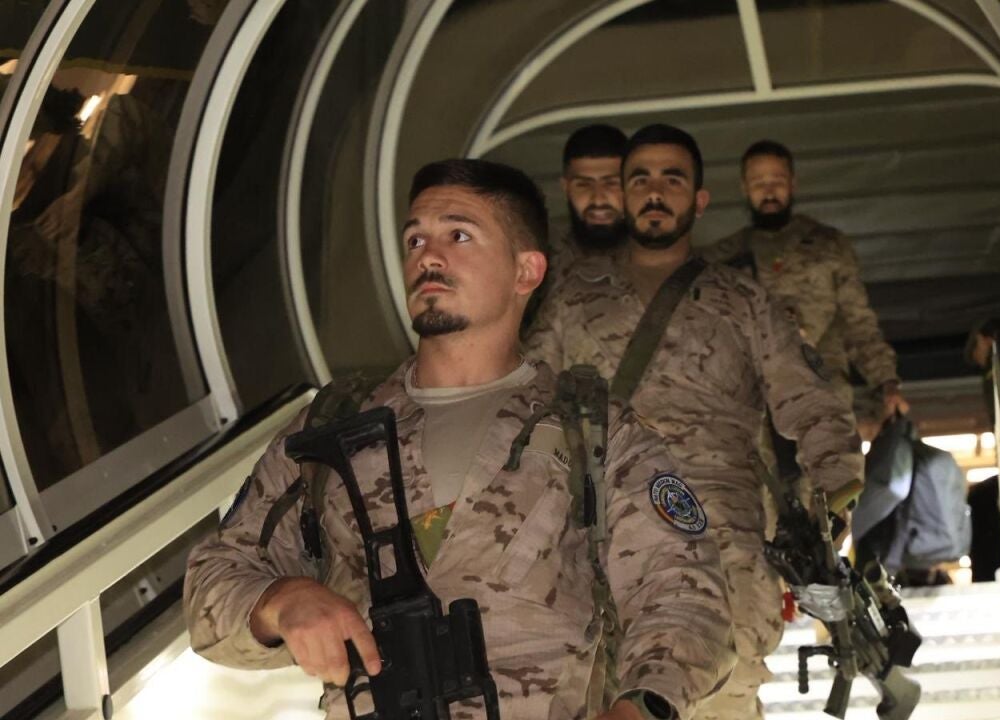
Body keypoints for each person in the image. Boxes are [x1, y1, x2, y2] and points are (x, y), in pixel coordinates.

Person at [184, 159, 734, 720]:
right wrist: (280, 602)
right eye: (415, 239)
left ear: (526, 271)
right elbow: (214, 579)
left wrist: (638, 709)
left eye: (459, 235)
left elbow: (685, 595)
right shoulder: (331, 426)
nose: (428, 255)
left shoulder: (594, 432)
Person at [524, 125, 864, 720]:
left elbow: (810, 401)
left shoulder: (745, 301)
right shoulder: (573, 298)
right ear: (624, 194)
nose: (655, 192)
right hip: (602, 538)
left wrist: (834, 493)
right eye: (640, 179)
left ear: (699, 200)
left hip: (722, 537)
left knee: (723, 695)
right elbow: (526, 406)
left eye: (672, 179)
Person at [702, 140, 907, 417]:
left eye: (777, 181)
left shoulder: (828, 245)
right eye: (759, 183)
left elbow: (858, 323)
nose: (769, 192)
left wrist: (886, 382)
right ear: (744, 188)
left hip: (823, 395)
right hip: (753, 406)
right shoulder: (723, 258)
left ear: (793, 183)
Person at [525, 124, 628, 329]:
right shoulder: (535, 263)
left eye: (611, 183)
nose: (598, 199)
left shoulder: (663, 260)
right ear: (565, 187)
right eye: (583, 184)